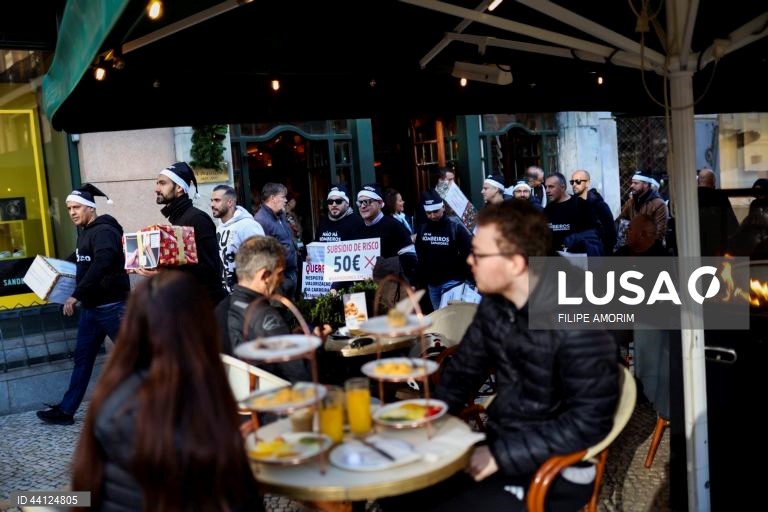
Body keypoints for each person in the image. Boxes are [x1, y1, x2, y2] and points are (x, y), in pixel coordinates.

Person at [384, 200, 619, 511]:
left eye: (479, 254)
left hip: (558, 467)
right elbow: (463, 372)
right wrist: (430, 422)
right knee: (399, 491)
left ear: (515, 264)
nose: (469, 260)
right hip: (503, 440)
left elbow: (589, 423)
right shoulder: (497, 304)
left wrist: (501, 456)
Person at [70, 271, 263, 512]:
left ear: (131, 328)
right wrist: (233, 449)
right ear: (203, 329)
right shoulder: (199, 413)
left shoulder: (109, 395)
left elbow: (81, 495)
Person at [37, 184, 130, 426]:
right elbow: (79, 260)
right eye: (69, 208)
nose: (72, 212)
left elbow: (101, 263)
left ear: (90, 208)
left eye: (76, 207)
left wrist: (76, 295)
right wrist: (49, 271)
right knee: (83, 359)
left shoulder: (105, 231)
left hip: (112, 307)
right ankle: (66, 411)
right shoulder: (86, 232)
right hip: (92, 309)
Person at [214, 236, 310, 382]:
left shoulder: (219, 310)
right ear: (264, 276)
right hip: (274, 392)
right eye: (280, 273)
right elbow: (301, 378)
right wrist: (314, 348)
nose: (283, 280)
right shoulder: (267, 317)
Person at [152, 162, 226, 304]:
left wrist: (165, 274)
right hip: (188, 302)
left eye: (162, 183)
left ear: (179, 187)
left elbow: (210, 270)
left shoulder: (197, 219)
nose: (156, 189)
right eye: (157, 183)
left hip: (205, 306)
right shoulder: (179, 219)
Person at [415, 190, 473, 310]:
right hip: (432, 284)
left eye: (436, 211)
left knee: (453, 316)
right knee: (440, 317)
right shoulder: (423, 229)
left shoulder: (455, 227)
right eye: (429, 213)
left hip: (453, 282)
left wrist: (468, 280)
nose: (432, 216)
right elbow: (421, 256)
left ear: (443, 208)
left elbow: (469, 253)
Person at [354, 183, 418, 285]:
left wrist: (382, 266)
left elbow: (411, 258)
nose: (362, 206)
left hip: (390, 288)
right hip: (363, 288)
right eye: (359, 202)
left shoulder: (394, 226)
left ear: (380, 203)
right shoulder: (355, 229)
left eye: (367, 202)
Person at [211, 184, 265, 293]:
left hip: (246, 294)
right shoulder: (219, 227)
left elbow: (262, 260)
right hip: (226, 293)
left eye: (217, 200)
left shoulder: (248, 225)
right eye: (211, 200)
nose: (212, 204)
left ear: (230, 202)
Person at [253, 182, 299, 300]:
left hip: (290, 273)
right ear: (272, 198)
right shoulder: (261, 221)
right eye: (283, 197)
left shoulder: (280, 215)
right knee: (280, 310)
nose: (286, 200)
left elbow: (286, 240)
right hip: (278, 278)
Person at [544, 172, 603, 255]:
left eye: (551, 187)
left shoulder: (580, 205)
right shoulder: (547, 209)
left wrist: (575, 240)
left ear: (562, 187)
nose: (547, 191)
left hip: (578, 257)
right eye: (546, 187)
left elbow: (594, 232)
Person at [570, 169, 617, 255]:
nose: (574, 185)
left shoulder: (599, 205)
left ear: (587, 183)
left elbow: (610, 232)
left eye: (578, 181)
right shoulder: (571, 204)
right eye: (572, 182)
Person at [617, 170, 669, 245]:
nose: (631, 186)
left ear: (645, 185)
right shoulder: (630, 203)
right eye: (632, 183)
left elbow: (659, 233)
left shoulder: (659, 204)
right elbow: (620, 221)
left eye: (636, 183)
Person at [697, 168, 739, 256]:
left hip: (695, 249)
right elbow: (732, 226)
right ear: (713, 181)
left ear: (698, 181)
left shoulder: (691, 198)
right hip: (717, 250)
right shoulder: (720, 198)